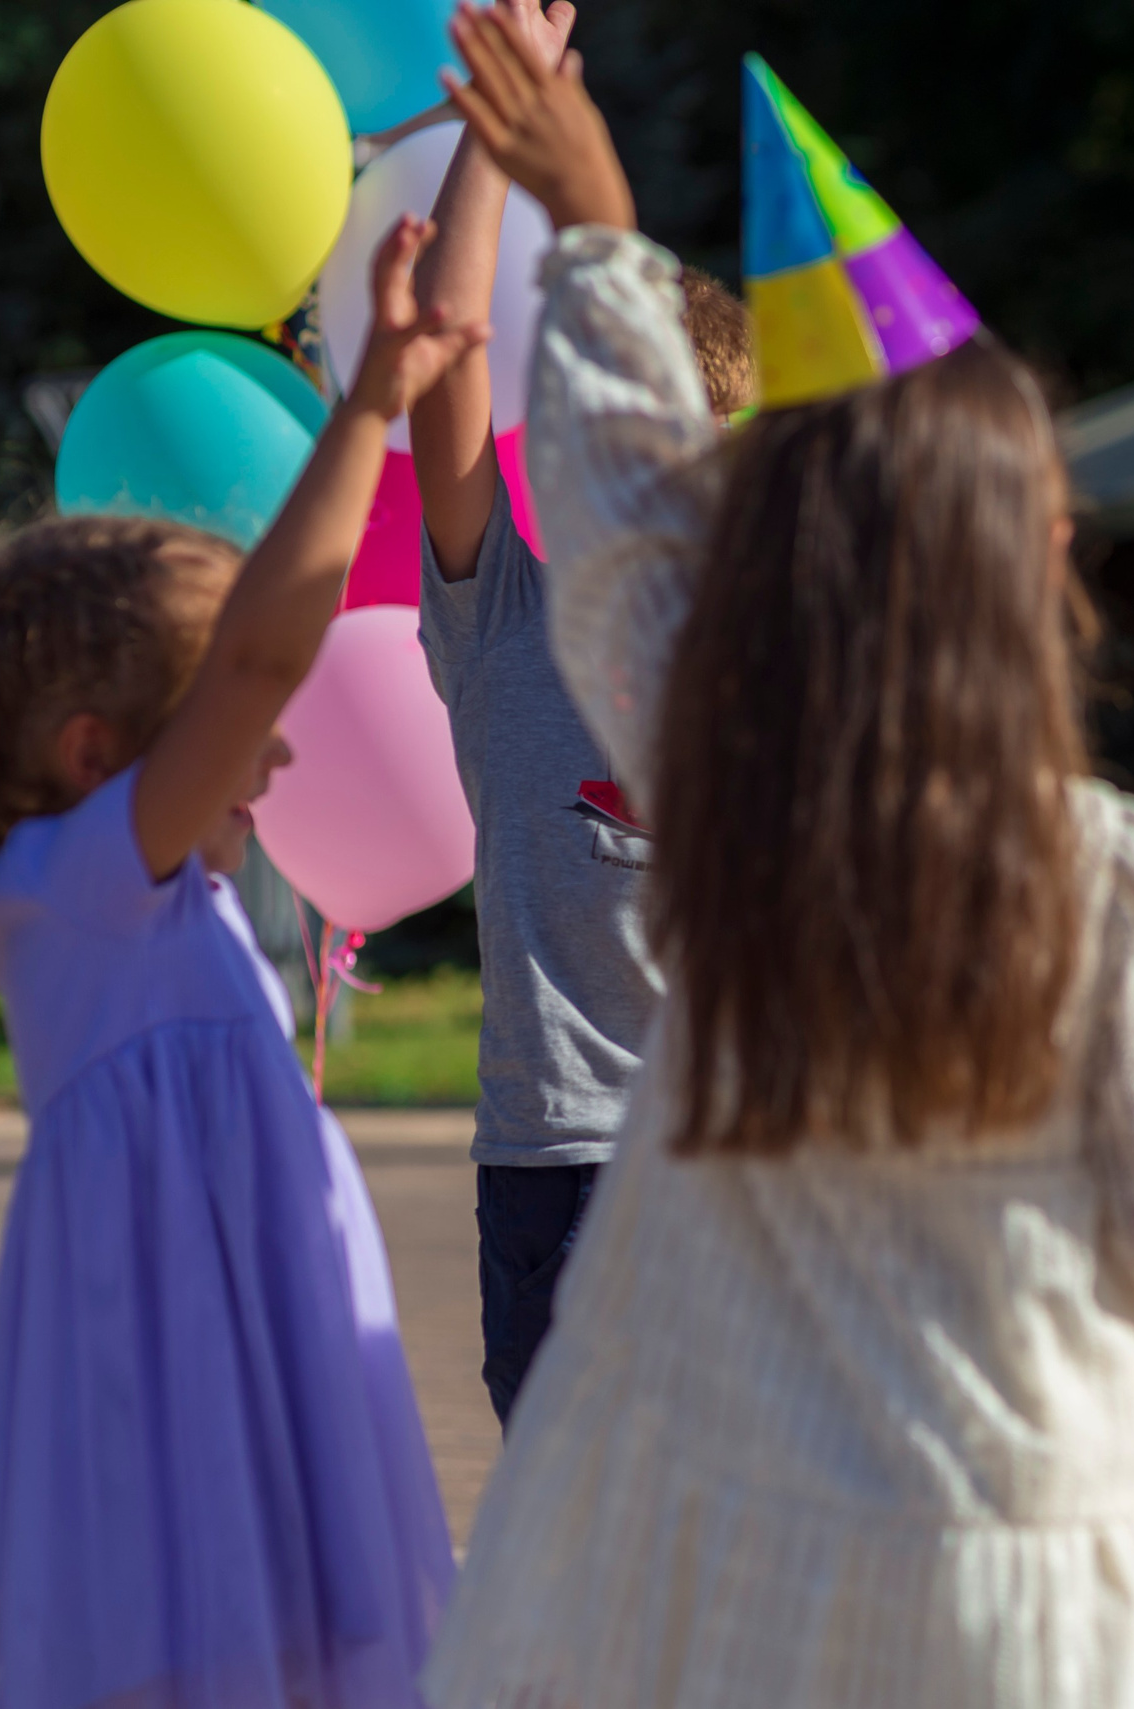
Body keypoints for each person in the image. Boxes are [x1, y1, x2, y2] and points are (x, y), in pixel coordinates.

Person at [416, 14, 1134, 1708]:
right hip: (1038, 1571)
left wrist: (599, 210)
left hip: (768, 1548)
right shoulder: (1102, 866)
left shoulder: (726, 798)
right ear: (1038, 559)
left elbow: (627, 515)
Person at [0, 217, 483, 1709]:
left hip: (230, 1305)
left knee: (271, 1639)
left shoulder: (137, 892)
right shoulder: (90, 875)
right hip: (176, 1335)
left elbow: (249, 680)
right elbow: (264, 658)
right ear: (101, 752)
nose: (276, 750)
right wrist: (362, 411)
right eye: (224, 734)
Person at [404, 0, 752, 1428]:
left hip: (742, 1165)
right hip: (553, 1171)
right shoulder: (506, 620)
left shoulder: (782, 663)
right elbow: (449, 369)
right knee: (570, 1554)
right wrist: (495, 147)